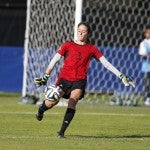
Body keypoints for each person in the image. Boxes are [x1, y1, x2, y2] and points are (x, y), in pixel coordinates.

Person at [34, 22, 135, 138]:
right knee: (52, 102)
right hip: (64, 79)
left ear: (88, 33)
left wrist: (121, 76)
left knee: (73, 100)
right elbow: (54, 60)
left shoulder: (91, 49)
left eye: (83, 31)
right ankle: (41, 110)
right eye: (79, 30)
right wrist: (46, 76)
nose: (81, 33)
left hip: (79, 80)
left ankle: (61, 132)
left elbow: (106, 64)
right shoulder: (67, 44)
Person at [139, 25, 150, 106]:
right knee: (146, 83)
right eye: (147, 32)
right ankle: (146, 99)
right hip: (147, 66)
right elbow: (142, 54)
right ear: (145, 34)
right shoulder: (143, 43)